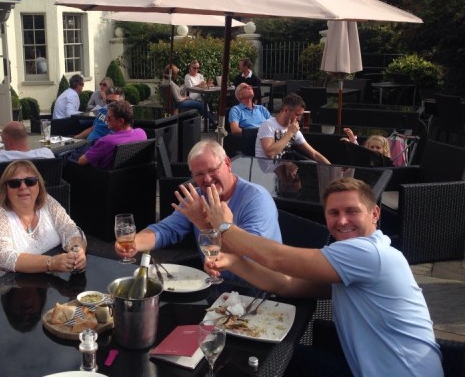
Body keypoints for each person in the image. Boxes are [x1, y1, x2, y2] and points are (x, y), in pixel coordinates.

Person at [201, 177, 442, 376]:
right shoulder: (355, 261)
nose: (342, 220)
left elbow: (277, 258)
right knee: (266, 357)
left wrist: (225, 227)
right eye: (333, 212)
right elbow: (288, 284)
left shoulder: (370, 253)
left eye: (352, 211)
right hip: (361, 368)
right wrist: (234, 262)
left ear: (375, 213)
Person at [115, 140, 281, 280]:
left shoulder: (256, 199)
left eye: (212, 170)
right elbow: (166, 230)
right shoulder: (198, 197)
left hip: (257, 287)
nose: (207, 179)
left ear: (228, 164)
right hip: (215, 284)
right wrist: (134, 243)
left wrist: (204, 224)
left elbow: (249, 258)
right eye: (199, 174)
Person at [0, 160, 86, 279]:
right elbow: (3, 257)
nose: (23, 187)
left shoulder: (47, 202)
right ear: (5, 189)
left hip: (43, 281)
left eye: (30, 181)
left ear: (39, 184)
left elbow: (69, 228)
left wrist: (76, 251)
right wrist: (51, 263)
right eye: (14, 183)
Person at [255, 93, 330, 164]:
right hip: (265, 170)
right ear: (286, 110)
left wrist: (331, 168)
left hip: (284, 169)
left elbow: (314, 154)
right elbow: (270, 153)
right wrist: (290, 133)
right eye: (297, 114)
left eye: (301, 115)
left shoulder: (293, 129)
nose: (299, 119)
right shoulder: (268, 125)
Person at [0, 121, 55, 186]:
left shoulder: (3, 157)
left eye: (3, 142)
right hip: (46, 195)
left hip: (12, 198)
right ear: (26, 137)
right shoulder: (47, 153)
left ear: (8, 142)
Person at [76, 100, 147, 169]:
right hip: (126, 174)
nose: (106, 119)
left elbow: (81, 162)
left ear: (120, 121)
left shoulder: (107, 141)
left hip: (96, 174)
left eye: (109, 117)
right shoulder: (141, 133)